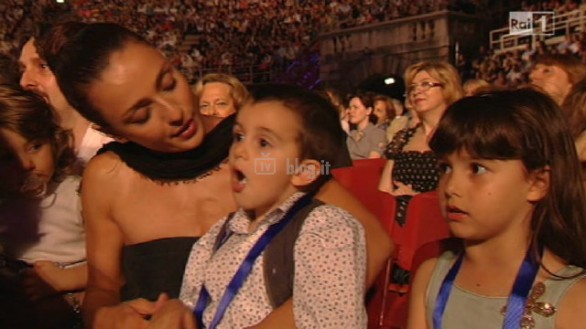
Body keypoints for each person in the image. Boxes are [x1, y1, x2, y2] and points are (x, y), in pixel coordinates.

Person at [38, 21, 392, 329]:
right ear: (108, 128)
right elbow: (103, 286)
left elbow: (372, 242)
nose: (175, 112)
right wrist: (104, 318)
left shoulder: (259, 140)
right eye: (141, 115)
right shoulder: (108, 177)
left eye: (168, 81)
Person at [179, 84, 367, 329]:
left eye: (264, 143)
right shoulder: (219, 234)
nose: (240, 151)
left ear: (302, 171)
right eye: (239, 137)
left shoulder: (325, 228)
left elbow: (333, 322)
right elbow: (192, 304)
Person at [408, 89, 586, 329]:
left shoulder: (574, 300)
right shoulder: (431, 277)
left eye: (477, 169)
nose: (451, 187)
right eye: (446, 168)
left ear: (537, 183)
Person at [0, 83, 85, 328]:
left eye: (35, 146)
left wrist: (65, 279)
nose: (27, 164)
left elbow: (115, 263)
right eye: (7, 157)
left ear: (55, 141)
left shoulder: (76, 193)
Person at [378, 61, 463, 226]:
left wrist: (419, 200)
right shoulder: (402, 138)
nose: (417, 91)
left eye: (426, 84)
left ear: (447, 88)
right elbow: (384, 189)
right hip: (399, 218)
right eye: (413, 87)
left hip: (442, 221)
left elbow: (463, 188)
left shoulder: (459, 135)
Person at [19, 26, 111, 168]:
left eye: (43, 66)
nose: (24, 82)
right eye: (23, 69)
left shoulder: (117, 153)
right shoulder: (26, 160)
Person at [346, 91, 386, 159]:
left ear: (368, 110)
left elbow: (373, 160)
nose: (351, 111)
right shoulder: (351, 135)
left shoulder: (377, 133)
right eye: (350, 108)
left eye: (355, 107)